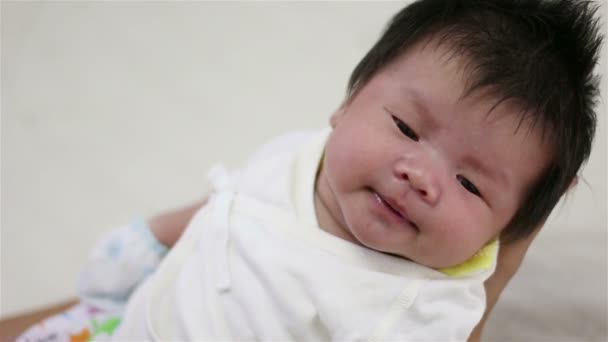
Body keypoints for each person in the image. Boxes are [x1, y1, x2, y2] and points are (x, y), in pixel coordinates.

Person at [16, 0, 602, 340]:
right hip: (125, 321)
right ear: (348, 104)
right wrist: (148, 238)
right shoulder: (304, 155)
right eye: (405, 127)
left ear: (504, 229)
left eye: (471, 184)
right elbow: (230, 203)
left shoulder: (416, 307)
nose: (420, 176)